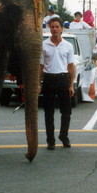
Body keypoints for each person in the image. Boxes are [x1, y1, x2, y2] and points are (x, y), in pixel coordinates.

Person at [39, 17, 75, 150]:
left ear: (62, 29)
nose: (54, 29)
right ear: (49, 28)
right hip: (48, 80)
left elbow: (71, 66)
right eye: (52, 27)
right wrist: (38, 83)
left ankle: (63, 136)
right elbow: (41, 66)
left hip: (63, 79)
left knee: (67, 111)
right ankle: (50, 141)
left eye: (57, 27)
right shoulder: (44, 45)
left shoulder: (68, 46)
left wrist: (71, 85)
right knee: (48, 112)